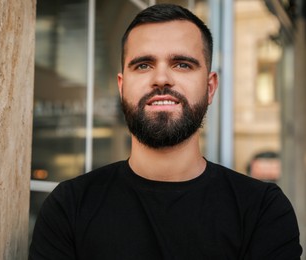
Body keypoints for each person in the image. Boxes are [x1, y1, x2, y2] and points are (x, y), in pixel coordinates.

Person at [29, 4, 302, 259]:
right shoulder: (69, 207)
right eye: (143, 65)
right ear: (122, 86)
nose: (161, 79)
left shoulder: (261, 210)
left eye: (182, 64)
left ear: (210, 87)